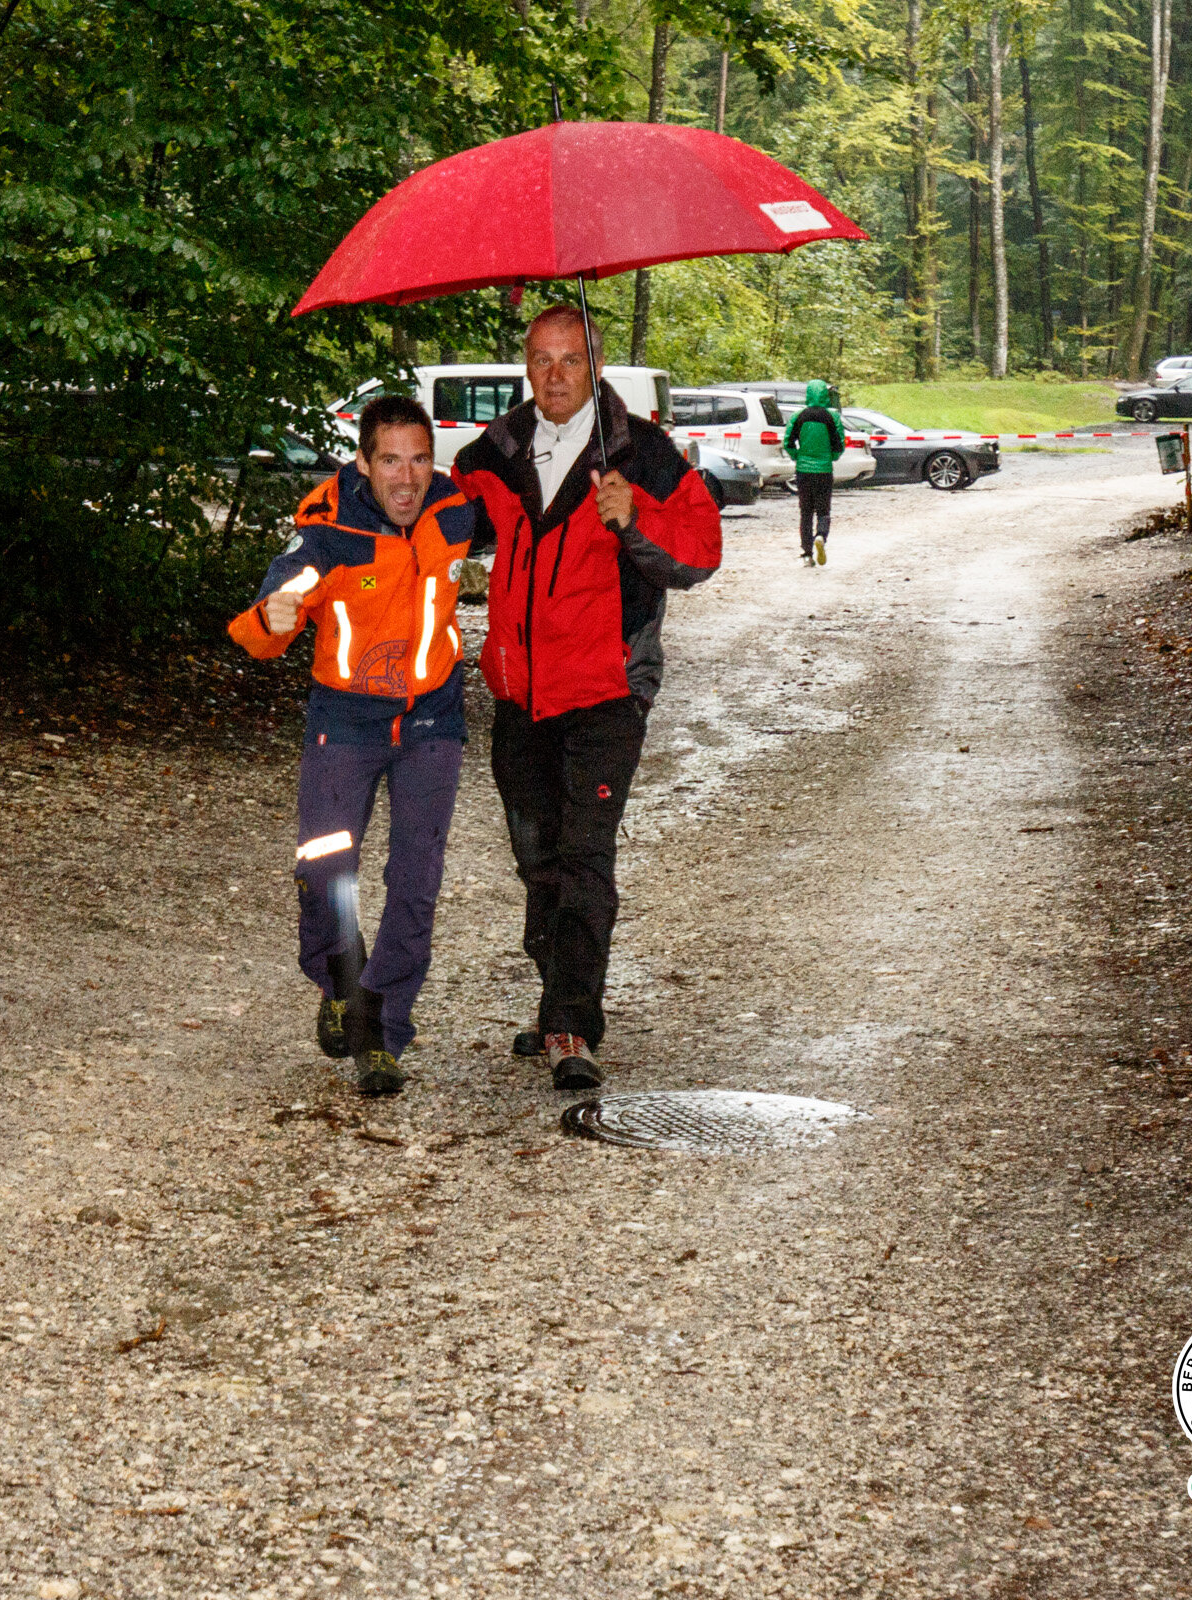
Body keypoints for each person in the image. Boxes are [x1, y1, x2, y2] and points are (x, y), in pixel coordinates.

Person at [452, 305, 721, 1089]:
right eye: (541, 359)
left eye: (571, 360)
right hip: (520, 694)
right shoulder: (496, 452)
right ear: (525, 366)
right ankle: (554, 1000)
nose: (556, 375)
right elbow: (439, 522)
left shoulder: (644, 451)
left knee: (583, 856)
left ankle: (573, 1023)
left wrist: (635, 516)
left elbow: (700, 555)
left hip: (606, 691)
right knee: (536, 859)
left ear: (595, 364)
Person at [228, 394, 476, 1097]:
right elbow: (282, 596)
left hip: (434, 716)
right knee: (326, 867)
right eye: (390, 460)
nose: (407, 478)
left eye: (420, 459)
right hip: (347, 715)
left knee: (416, 879)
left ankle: (382, 1029)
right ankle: (338, 977)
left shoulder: (457, 511)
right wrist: (272, 617)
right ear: (363, 461)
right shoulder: (329, 532)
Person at [786, 379, 846, 566]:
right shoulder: (832, 417)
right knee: (823, 510)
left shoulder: (798, 416)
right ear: (825, 395)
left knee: (805, 513)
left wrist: (798, 456)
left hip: (804, 470)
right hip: (824, 470)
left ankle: (807, 554)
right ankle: (820, 535)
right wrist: (832, 457)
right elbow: (839, 444)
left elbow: (787, 442)